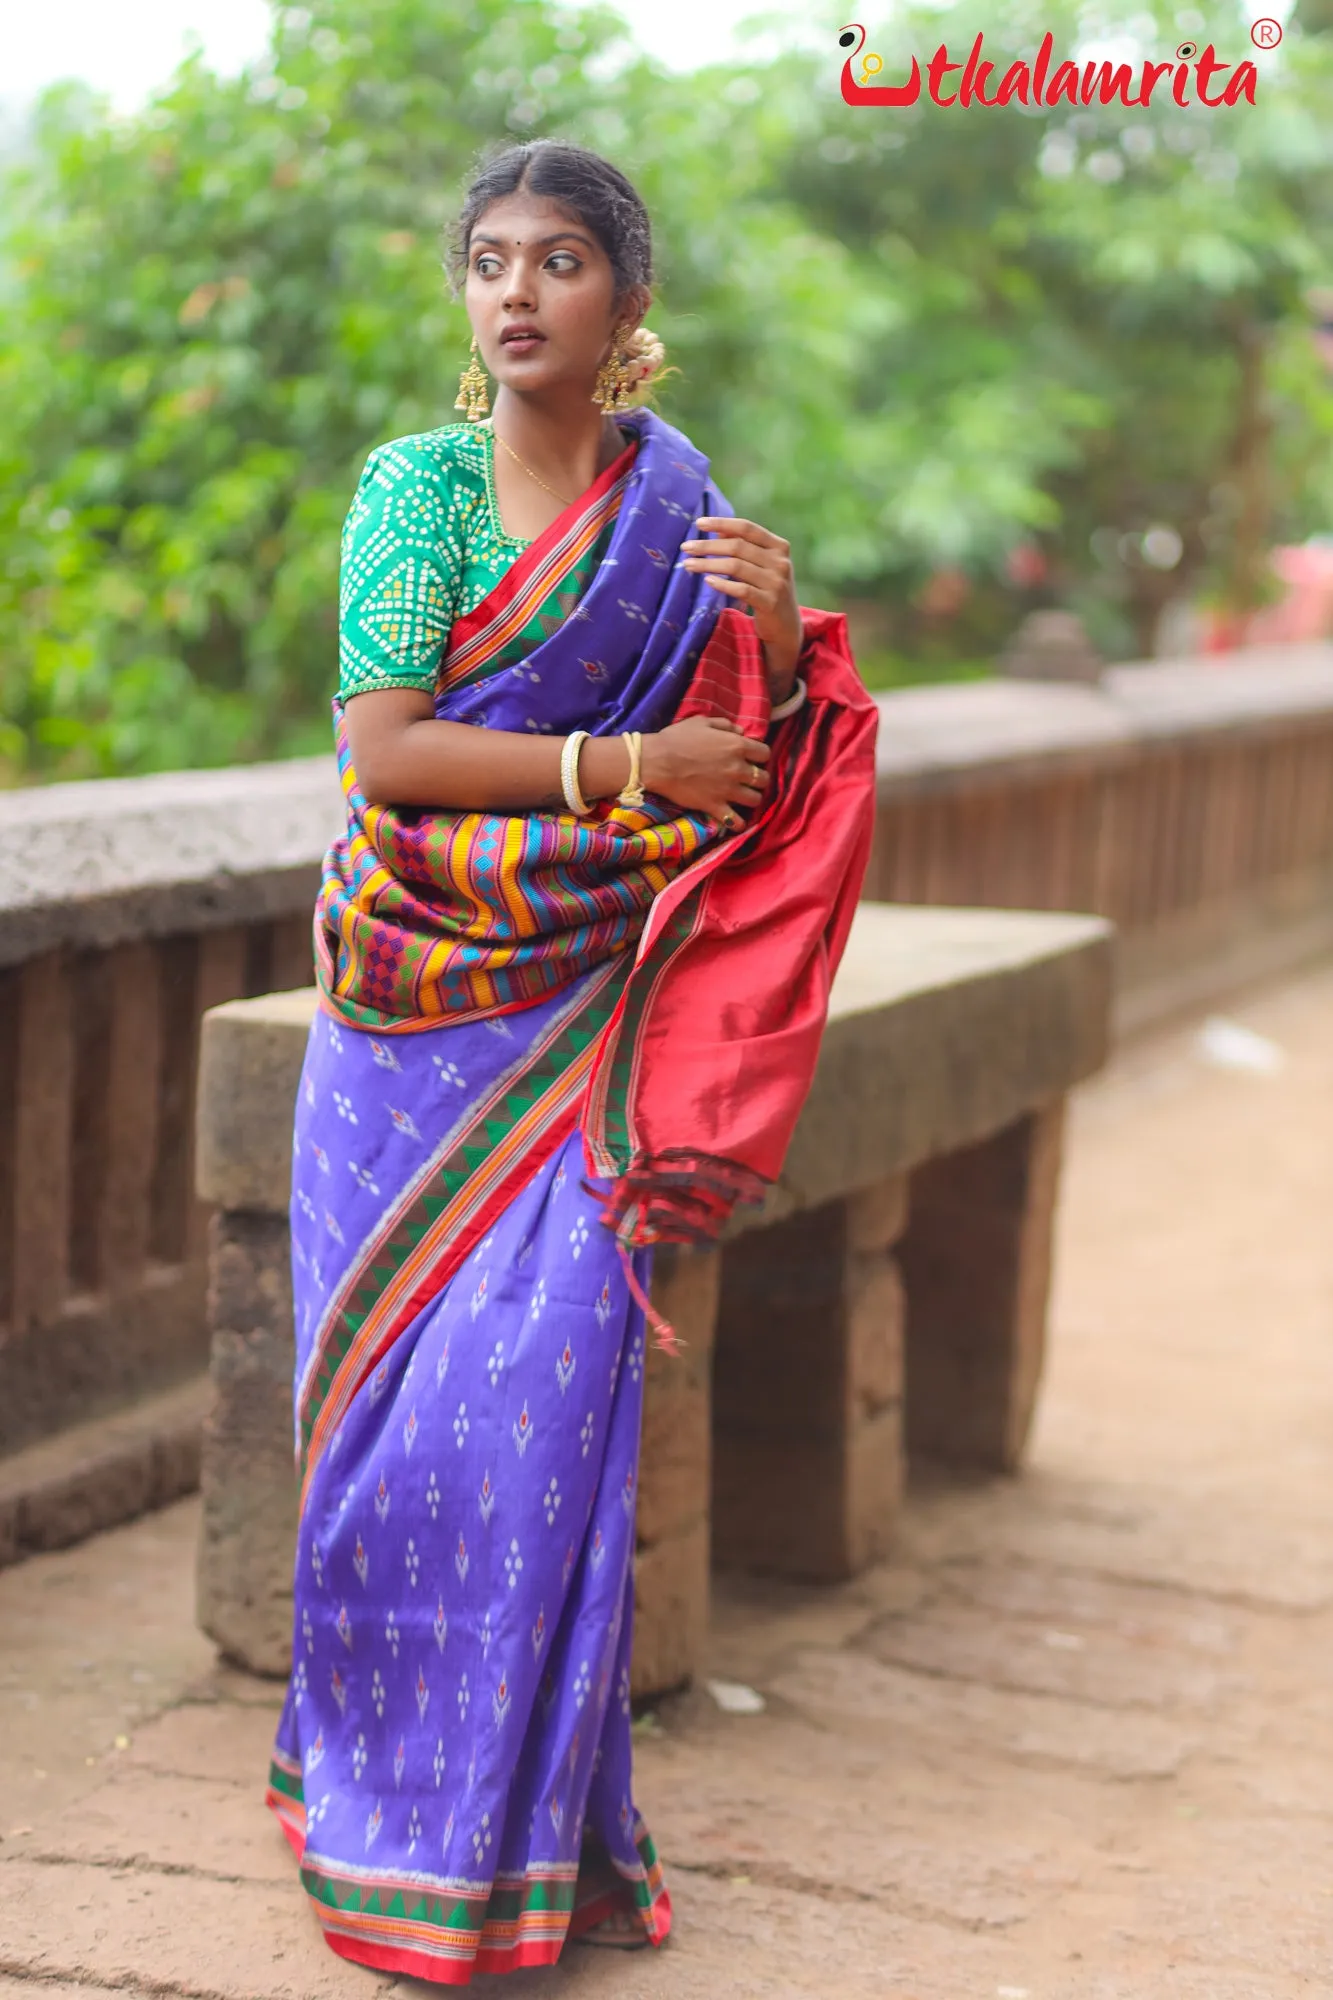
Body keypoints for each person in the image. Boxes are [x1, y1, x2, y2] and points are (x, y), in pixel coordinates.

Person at [265, 138, 877, 1984]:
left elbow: (757, 781)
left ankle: (513, 1848)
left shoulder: (676, 517)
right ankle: (369, 1801)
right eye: (486, 259)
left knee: (540, 1431)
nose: (514, 290)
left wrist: (771, 638)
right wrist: (623, 776)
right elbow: (386, 755)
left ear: (628, 302)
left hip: (587, 1030)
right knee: (390, 1445)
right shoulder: (419, 490)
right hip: (405, 1024)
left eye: (558, 260)